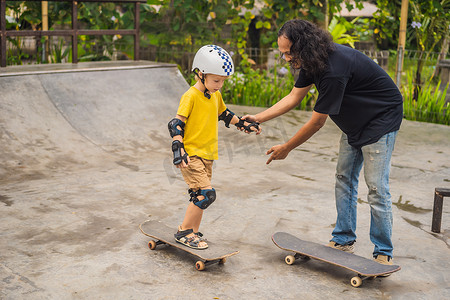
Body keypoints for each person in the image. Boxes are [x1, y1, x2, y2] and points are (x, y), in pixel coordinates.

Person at [244, 20, 403, 265]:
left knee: (376, 188)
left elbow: (317, 122)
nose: (286, 58)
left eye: (288, 52)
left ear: (303, 46)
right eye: (283, 52)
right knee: (344, 178)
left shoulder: (333, 70)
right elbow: (294, 96)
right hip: (354, 123)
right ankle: (343, 239)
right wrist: (258, 116)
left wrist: (287, 147)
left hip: (381, 120)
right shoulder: (312, 60)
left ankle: (383, 252)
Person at [169, 45, 261, 249]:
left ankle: (192, 232)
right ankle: (184, 231)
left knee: (198, 195)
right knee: (207, 194)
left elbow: (225, 114)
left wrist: (243, 124)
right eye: (216, 80)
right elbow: (176, 123)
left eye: (222, 81)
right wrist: (179, 148)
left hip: (208, 155)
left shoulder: (215, 94)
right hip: (192, 154)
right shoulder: (190, 96)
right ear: (200, 74)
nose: (220, 85)